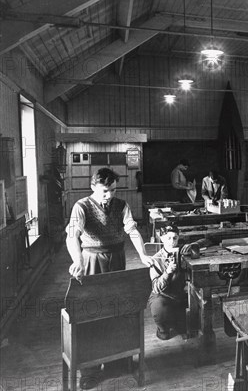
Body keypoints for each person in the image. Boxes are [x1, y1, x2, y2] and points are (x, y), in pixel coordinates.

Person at [65, 167, 153, 390]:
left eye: (113, 190)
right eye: (105, 190)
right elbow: (72, 236)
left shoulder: (121, 205)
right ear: (93, 186)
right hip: (91, 261)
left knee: (118, 309)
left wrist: (143, 254)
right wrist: (78, 261)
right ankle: (89, 372)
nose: (109, 195)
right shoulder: (81, 206)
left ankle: (118, 363)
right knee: (91, 313)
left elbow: (132, 230)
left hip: (117, 260)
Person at [149, 225, 187, 340]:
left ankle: (177, 321)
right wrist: (168, 272)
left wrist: (191, 249)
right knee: (159, 309)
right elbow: (156, 288)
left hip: (178, 295)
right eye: (168, 238)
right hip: (162, 296)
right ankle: (162, 328)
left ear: (178, 238)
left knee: (185, 327)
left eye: (175, 238)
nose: (172, 242)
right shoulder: (156, 259)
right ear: (162, 239)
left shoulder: (183, 254)